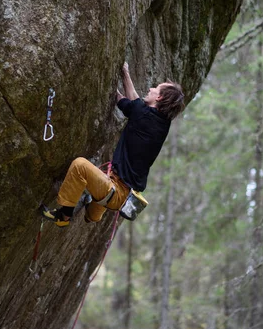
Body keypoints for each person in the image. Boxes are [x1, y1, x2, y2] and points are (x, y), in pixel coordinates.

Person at [43, 62, 185, 227]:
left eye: (156, 88)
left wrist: (125, 72)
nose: (151, 89)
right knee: (100, 188)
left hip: (116, 191)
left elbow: (127, 100)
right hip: (122, 193)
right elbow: (133, 105)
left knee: (80, 166)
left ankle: (63, 216)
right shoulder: (162, 123)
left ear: (159, 98)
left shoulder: (145, 116)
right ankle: (92, 215)